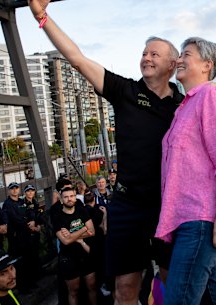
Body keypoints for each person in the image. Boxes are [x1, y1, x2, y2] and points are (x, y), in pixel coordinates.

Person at [26, 1, 185, 303]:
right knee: (125, 289)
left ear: (173, 65)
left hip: (170, 204)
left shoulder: (184, 105)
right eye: (144, 53)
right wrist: (41, 16)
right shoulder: (124, 91)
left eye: (154, 53)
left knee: (173, 284)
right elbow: (77, 59)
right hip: (127, 205)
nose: (146, 58)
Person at [155, 37, 216, 305]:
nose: (179, 59)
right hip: (187, 220)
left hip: (201, 218)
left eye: (186, 54)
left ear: (207, 65)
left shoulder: (210, 95)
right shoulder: (185, 106)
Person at [51, 186, 97, 305]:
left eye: (71, 196)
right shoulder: (57, 217)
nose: (69, 199)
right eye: (66, 197)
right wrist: (84, 229)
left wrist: (72, 235)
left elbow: (92, 231)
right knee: (73, 291)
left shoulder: (82, 211)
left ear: (75, 198)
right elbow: (65, 241)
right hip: (69, 257)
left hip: (85, 254)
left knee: (92, 286)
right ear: (61, 199)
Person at [5, 184, 41, 293]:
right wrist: (27, 223)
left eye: (16, 188)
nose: (15, 190)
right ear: (9, 191)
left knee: (29, 260)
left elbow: (30, 212)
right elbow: (14, 218)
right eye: (12, 189)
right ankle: (23, 287)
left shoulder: (22, 202)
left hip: (26, 236)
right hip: (17, 238)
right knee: (19, 264)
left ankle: (31, 282)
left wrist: (33, 221)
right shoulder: (7, 204)